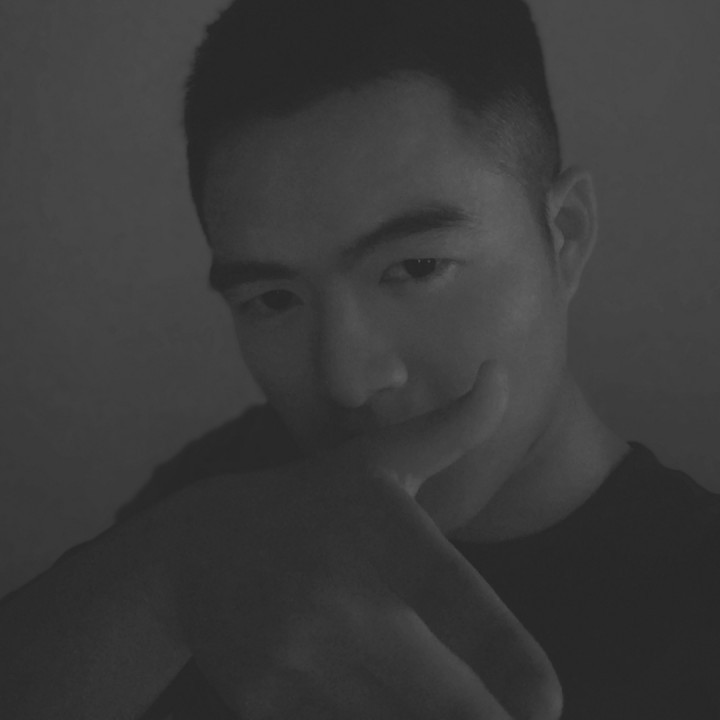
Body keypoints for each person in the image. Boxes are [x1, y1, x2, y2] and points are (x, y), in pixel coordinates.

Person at [1, 0, 718, 718]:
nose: (346, 381)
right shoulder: (216, 506)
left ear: (565, 236)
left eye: (416, 267)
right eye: (274, 299)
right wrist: (167, 588)